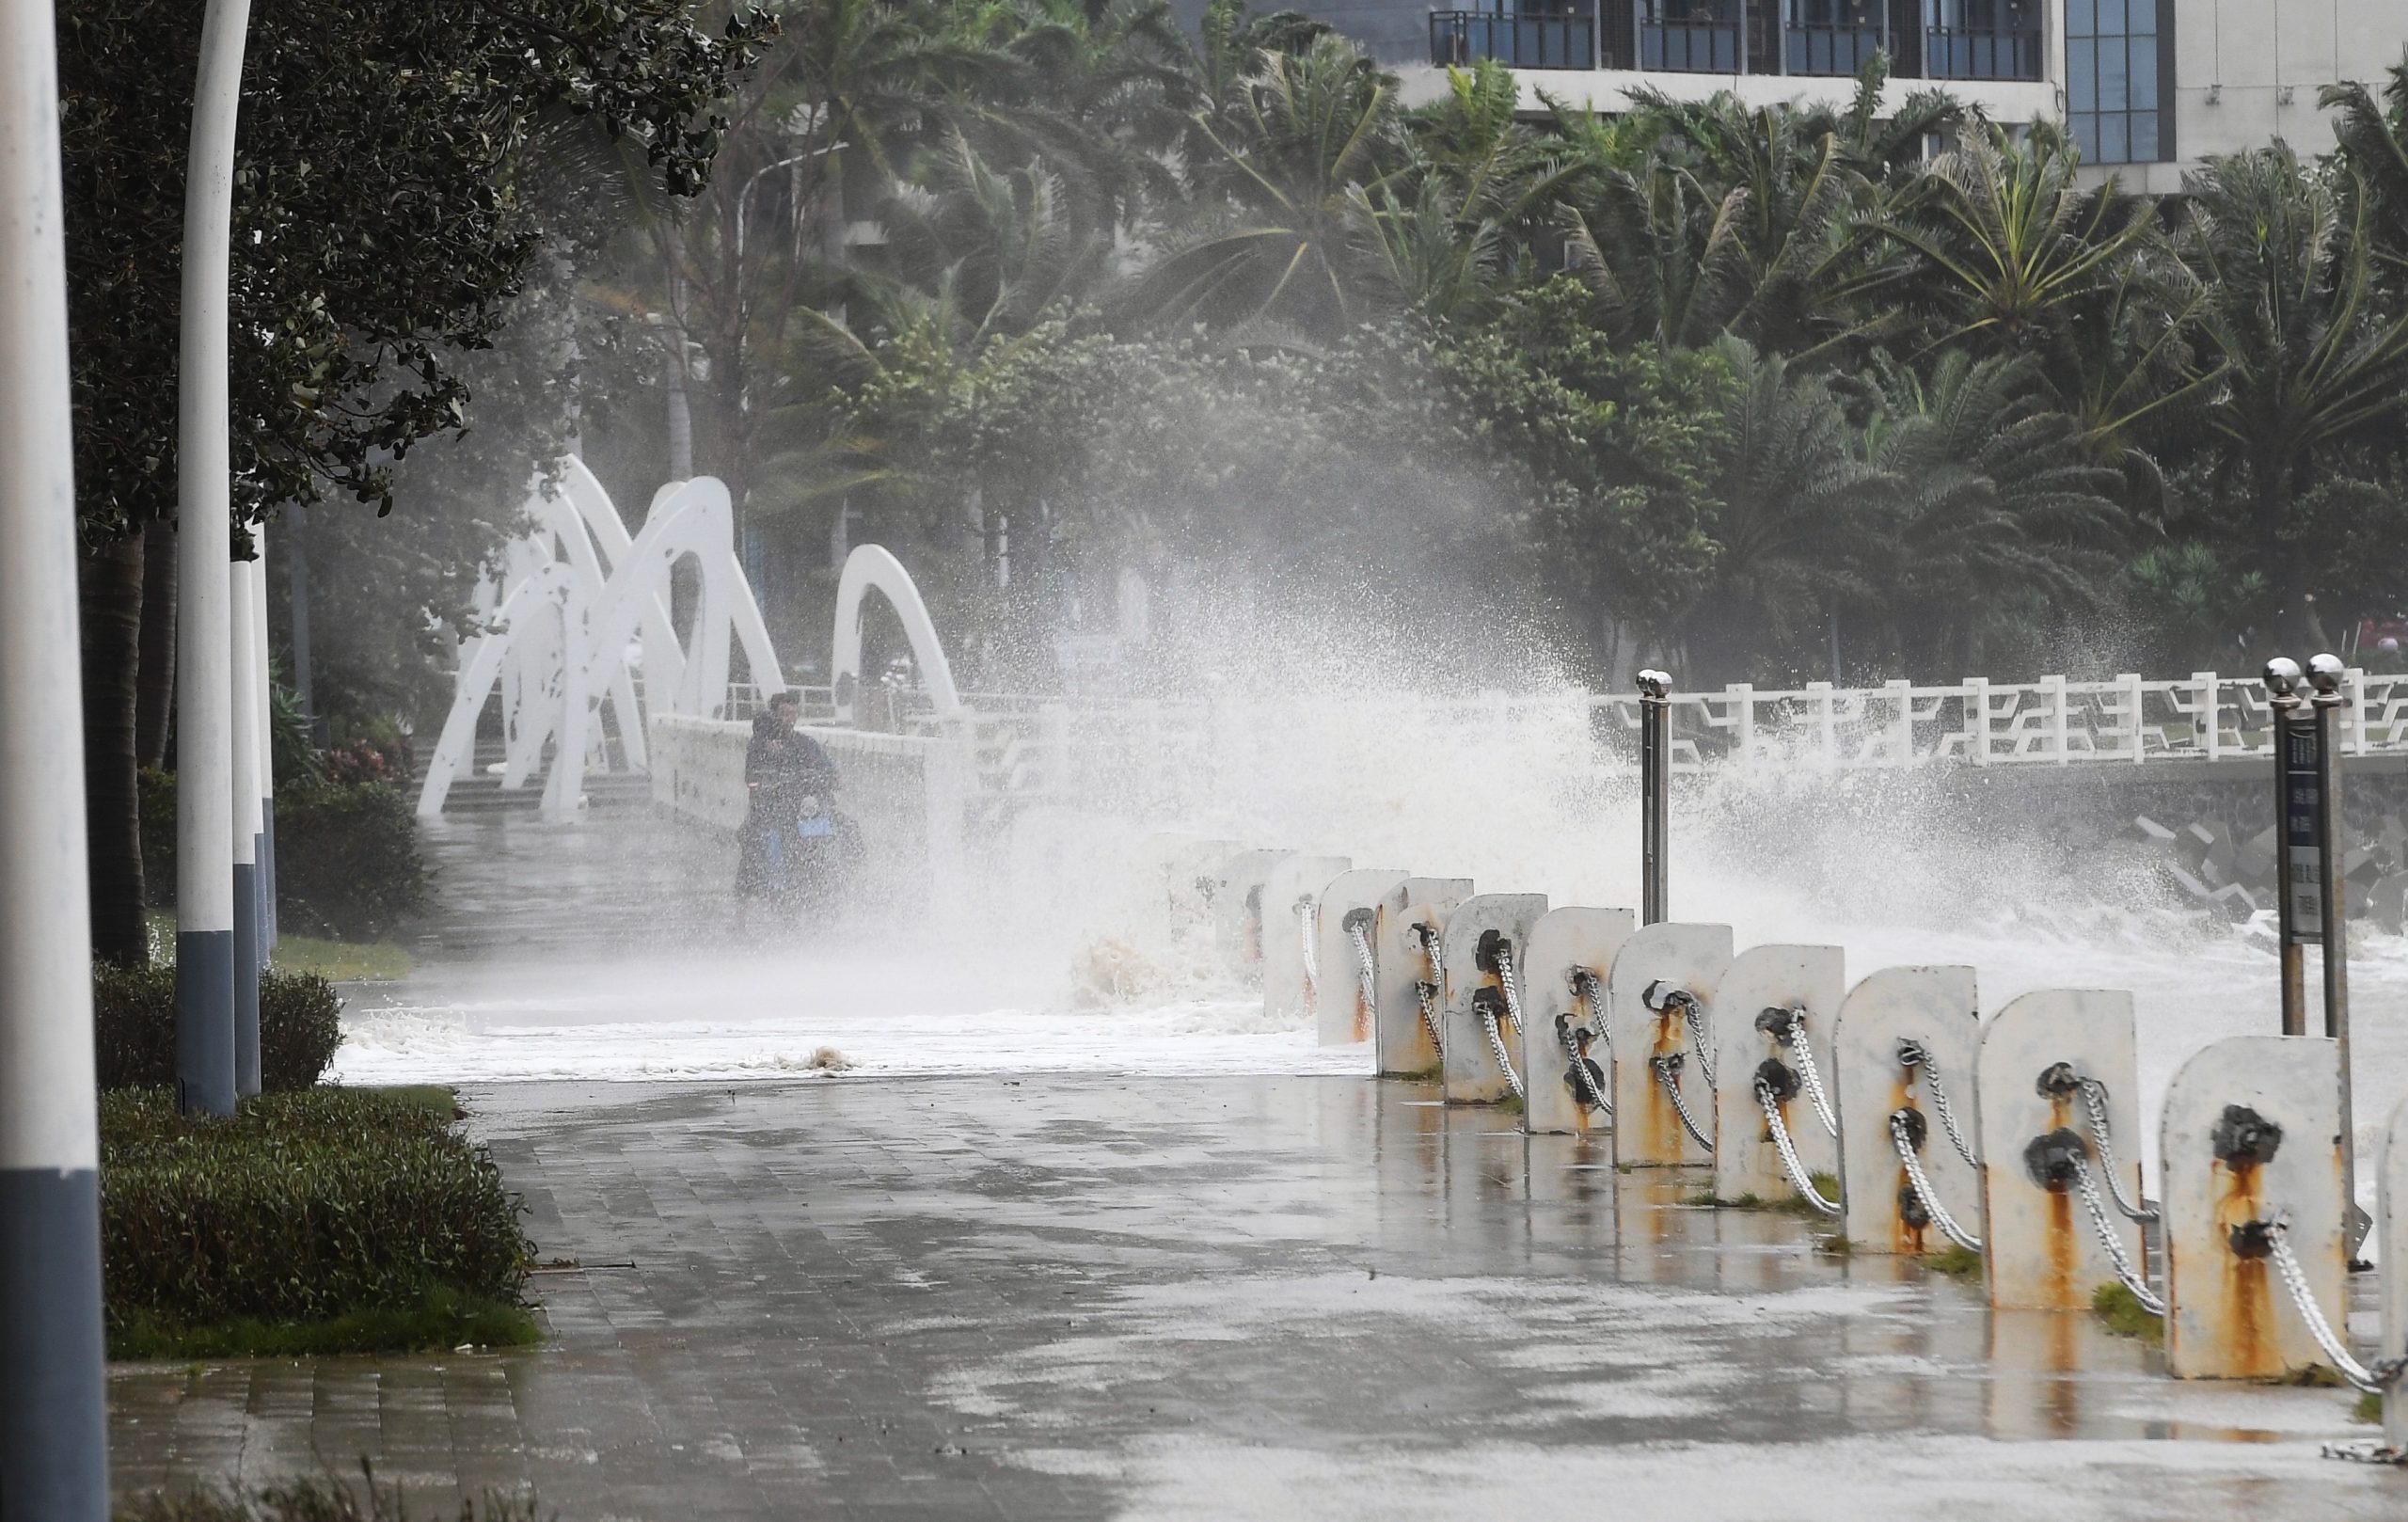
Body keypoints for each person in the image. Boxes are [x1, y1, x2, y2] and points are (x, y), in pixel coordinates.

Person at [735, 691, 837, 927]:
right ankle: (743, 913)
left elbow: (827, 771)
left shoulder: (806, 744)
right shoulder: (761, 744)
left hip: (801, 812)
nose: (789, 718)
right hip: (769, 812)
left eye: (792, 713)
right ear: (774, 715)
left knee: (839, 830)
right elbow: (752, 777)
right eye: (783, 714)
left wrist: (822, 783)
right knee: (752, 851)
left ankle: (828, 888)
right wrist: (766, 784)